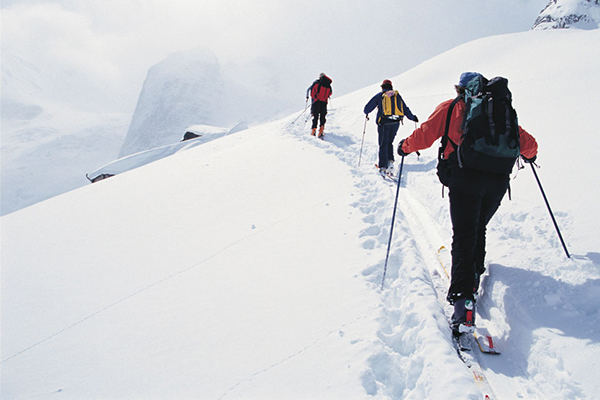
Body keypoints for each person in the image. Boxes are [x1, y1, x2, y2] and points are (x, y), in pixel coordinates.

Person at [397, 72, 538, 336]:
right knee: (478, 226)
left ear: (459, 88)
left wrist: (404, 146)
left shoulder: (452, 107)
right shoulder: (497, 112)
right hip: (497, 181)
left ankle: (463, 305)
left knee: (464, 235)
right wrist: (530, 156)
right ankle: (473, 276)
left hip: (464, 178)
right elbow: (528, 144)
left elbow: (426, 134)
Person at [364, 80, 418, 174]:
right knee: (389, 142)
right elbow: (405, 108)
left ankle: (383, 167)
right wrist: (412, 117)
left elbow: (367, 108)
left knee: (383, 144)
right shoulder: (396, 96)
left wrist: (367, 112)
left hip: (384, 123)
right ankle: (390, 163)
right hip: (396, 123)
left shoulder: (380, 96)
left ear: (382, 87)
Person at [306, 73, 333, 138]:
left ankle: (313, 130)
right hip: (324, 102)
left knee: (315, 116)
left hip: (316, 102)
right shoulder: (328, 85)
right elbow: (330, 93)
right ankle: (321, 130)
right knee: (322, 116)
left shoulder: (317, 83)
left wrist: (314, 98)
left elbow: (312, 92)